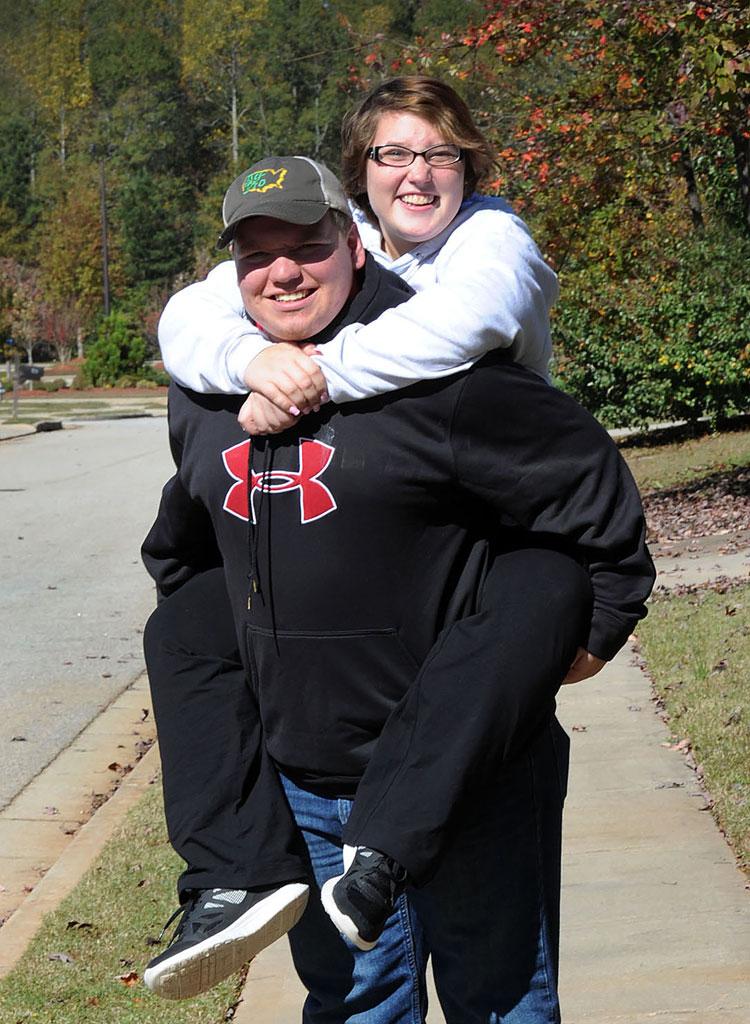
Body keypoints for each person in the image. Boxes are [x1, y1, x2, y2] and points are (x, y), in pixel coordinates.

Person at [142, 153, 655, 1020]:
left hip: (469, 773)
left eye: (306, 245)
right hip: (304, 775)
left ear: (355, 244)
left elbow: (588, 487)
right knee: (354, 1009)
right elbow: (188, 543)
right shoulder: (208, 390)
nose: (283, 272)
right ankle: (232, 884)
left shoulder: (435, 370)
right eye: (256, 254)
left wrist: (594, 629)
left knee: (499, 1003)